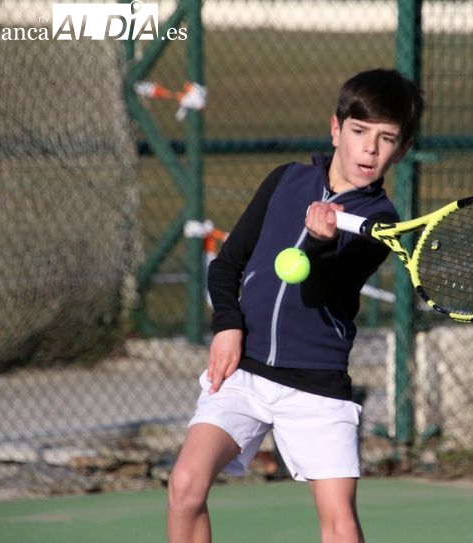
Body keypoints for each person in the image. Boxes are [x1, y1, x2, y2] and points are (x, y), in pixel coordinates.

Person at [167, 68, 424, 543]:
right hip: (243, 373)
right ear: (335, 129)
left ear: (402, 149)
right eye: (359, 131)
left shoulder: (380, 222)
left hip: (316, 386)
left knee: (340, 525)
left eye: (386, 139)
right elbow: (227, 266)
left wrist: (321, 244)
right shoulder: (285, 180)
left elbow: (324, 291)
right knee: (185, 485)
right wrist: (227, 325)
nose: (369, 149)